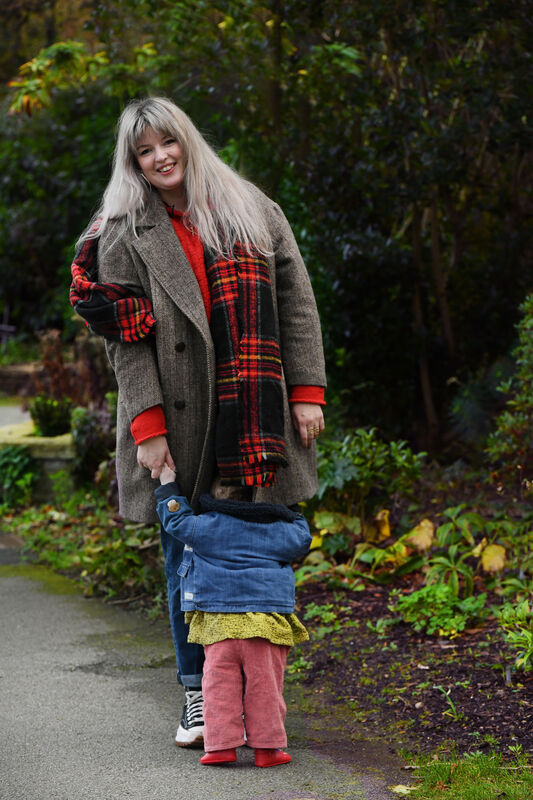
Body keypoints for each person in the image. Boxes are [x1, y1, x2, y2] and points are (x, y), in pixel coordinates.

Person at [69, 96, 326, 748]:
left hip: (255, 411)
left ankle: (257, 691)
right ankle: (197, 694)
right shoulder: (123, 230)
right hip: (176, 414)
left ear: (186, 140)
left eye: (167, 142)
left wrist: (307, 391)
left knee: (257, 550)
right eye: (143, 151)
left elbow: (296, 301)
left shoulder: (249, 207)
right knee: (187, 557)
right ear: (132, 163)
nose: (160, 158)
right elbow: (125, 342)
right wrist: (148, 427)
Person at [155, 465, 311, 767]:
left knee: (218, 688)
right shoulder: (277, 530)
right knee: (265, 689)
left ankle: (220, 747)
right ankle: (267, 750)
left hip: (219, 628)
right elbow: (302, 537)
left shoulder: (206, 526)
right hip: (265, 628)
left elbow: (176, 520)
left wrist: (168, 487)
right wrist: (289, 506)